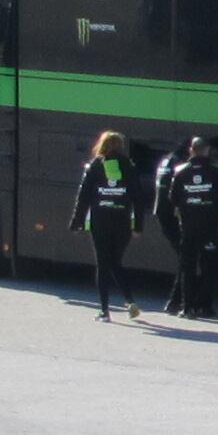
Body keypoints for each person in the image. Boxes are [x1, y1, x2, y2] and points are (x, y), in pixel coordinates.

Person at [70, 132, 140, 321]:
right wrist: (138, 226)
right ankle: (130, 300)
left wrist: (76, 222)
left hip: (100, 221)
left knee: (103, 264)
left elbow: (83, 196)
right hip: (122, 221)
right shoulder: (128, 165)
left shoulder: (95, 165)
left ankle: (104, 310)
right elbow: (137, 197)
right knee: (116, 262)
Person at [164, 135, 218, 321]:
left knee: (187, 267)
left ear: (191, 150)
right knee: (209, 267)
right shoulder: (216, 171)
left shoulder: (180, 171)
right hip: (210, 226)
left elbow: (172, 199)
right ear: (207, 150)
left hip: (188, 227)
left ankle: (187, 308)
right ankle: (205, 305)